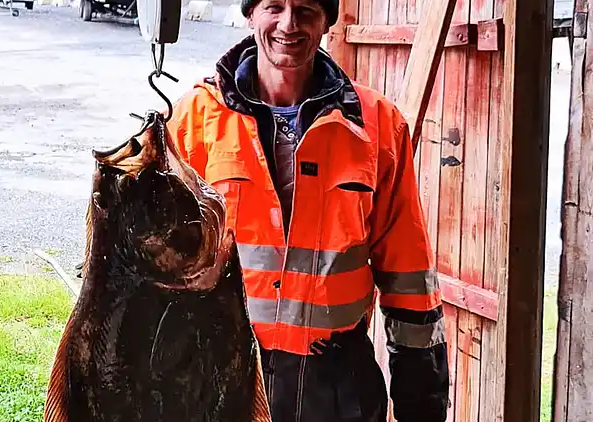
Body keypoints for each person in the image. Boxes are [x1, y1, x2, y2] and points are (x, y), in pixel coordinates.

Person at [164, 0, 450, 420]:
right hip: (219, 381)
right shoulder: (194, 120)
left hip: (337, 393)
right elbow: (156, 273)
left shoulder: (377, 125)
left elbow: (409, 277)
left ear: (327, 20)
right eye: (273, 6)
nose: (288, 24)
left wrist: (421, 403)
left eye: (306, 9)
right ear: (250, 14)